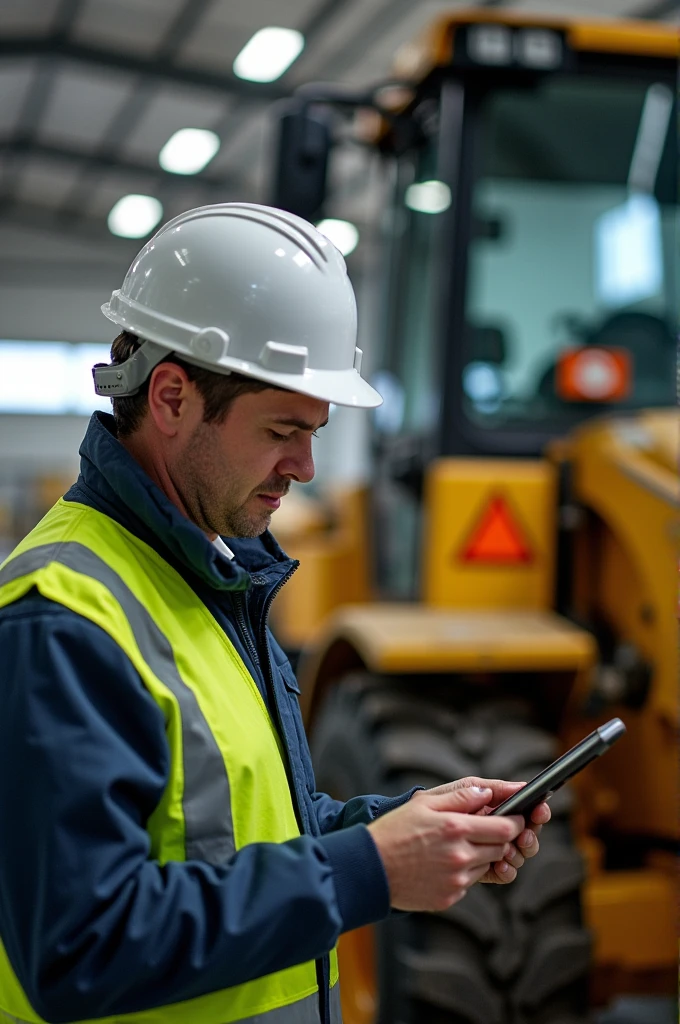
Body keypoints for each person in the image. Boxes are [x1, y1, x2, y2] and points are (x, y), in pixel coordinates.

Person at [0, 204, 549, 1024]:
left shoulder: (208, 580)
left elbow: (236, 840)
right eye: (284, 430)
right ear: (173, 397)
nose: (306, 465)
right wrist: (368, 869)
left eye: (316, 431)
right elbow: (81, 943)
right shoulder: (62, 619)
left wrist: (395, 825)